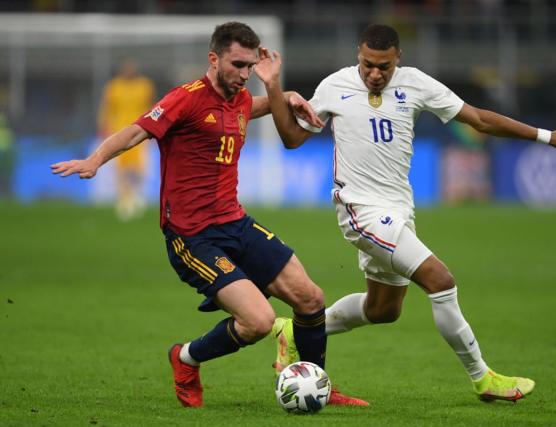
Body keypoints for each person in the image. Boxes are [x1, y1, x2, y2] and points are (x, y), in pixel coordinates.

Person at [259, 24, 556, 402]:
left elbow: (479, 119)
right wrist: (273, 87)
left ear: (397, 59)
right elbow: (291, 138)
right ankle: (483, 378)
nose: (374, 74)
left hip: (398, 209)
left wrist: (547, 136)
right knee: (440, 280)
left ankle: (294, 329)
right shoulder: (334, 86)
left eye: (384, 67)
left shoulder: (415, 84)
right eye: (368, 64)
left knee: (383, 309)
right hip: (359, 210)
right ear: (358, 54)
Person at [52, 22, 367, 408]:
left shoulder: (237, 97)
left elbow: (251, 106)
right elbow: (136, 131)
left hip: (236, 222)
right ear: (214, 59)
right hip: (193, 236)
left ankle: (320, 384)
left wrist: (286, 95)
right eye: (238, 64)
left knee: (310, 297)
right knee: (259, 322)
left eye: (251, 66)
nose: (245, 74)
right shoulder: (185, 99)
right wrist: (95, 160)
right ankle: (185, 358)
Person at [97, 58, 155, 220]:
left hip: (140, 131)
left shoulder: (145, 85)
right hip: (119, 131)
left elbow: (152, 106)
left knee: (138, 168)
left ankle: (136, 196)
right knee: (121, 168)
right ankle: (124, 199)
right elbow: (106, 107)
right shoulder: (114, 87)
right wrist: (103, 125)